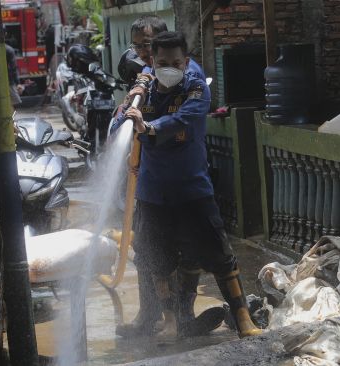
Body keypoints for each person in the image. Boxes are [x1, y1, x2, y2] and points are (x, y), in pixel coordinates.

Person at [112, 31, 261, 339]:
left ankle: (243, 318)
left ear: (186, 61)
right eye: (162, 62)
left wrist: (149, 127)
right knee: (157, 260)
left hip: (192, 189)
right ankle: (169, 322)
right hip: (153, 192)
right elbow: (118, 124)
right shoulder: (144, 88)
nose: (169, 67)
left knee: (220, 256)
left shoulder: (194, 86)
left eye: (176, 62)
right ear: (152, 61)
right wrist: (128, 115)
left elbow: (184, 120)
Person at [114, 16, 222, 339]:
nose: (144, 54)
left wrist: (147, 132)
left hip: (185, 181)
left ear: (167, 46)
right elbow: (129, 120)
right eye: (138, 47)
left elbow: (175, 123)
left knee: (189, 252)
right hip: (151, 183)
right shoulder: (146, 78)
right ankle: (153, 316)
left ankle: (180, 316)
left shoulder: (188, 78)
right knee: (148, 253)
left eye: (148, 46)